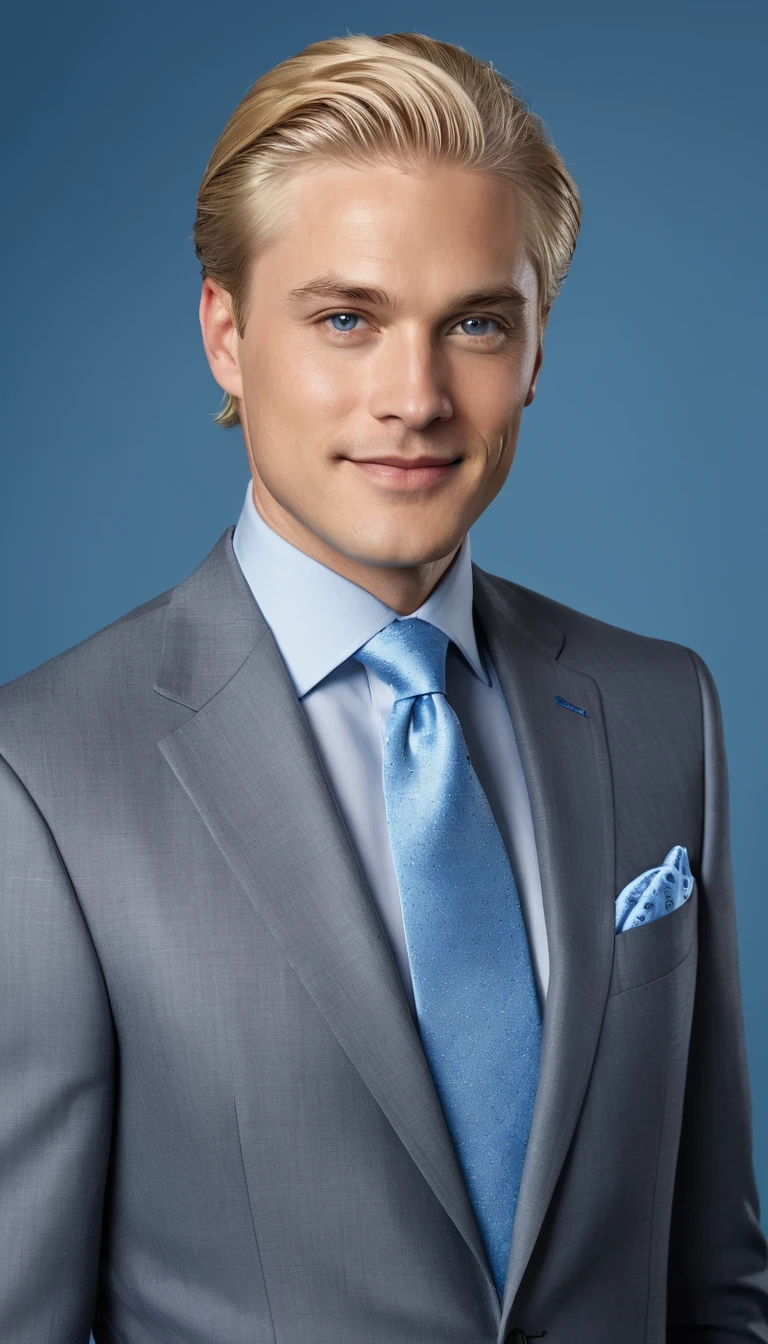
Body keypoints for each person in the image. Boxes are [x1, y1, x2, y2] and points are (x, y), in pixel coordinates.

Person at [0, 31, 766, 1344]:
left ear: (535, 351)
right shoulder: (43, 779)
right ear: (228, 338)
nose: (414, 398)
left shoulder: (661, 713)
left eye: (475, 322)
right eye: (346, 318)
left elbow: (713, 1282)